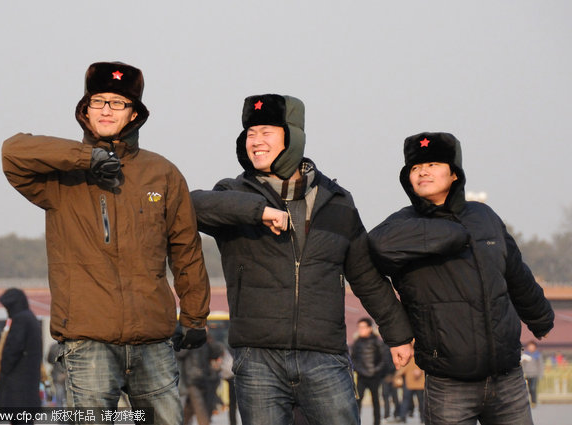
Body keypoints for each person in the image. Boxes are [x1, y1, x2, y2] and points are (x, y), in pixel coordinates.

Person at [2, 61, 211, 425]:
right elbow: (12, 151)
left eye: (117, 103)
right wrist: (89, 158)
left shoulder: (162, 173)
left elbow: (186, 250)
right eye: (98, 101)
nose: (106, 110)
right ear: (85, 110)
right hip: (88, 341)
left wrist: (194, 316)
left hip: (153, 342)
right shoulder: (61, 177)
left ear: (134, 113)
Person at [191, 94, 414, 425]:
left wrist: (398, 334)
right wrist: (257, 212)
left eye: (266, 131)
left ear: (292, 136)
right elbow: (192, 206)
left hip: (324, 357)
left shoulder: (337, 202)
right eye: (250, 133)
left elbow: (365, 276)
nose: (255, 141)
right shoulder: (233, 194)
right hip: (257, 357)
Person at [368, 132, 555, 425]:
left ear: (454, 173)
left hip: (507, 377)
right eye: (415, 168)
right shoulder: (400, 225)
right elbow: (376, 247)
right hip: (448, 384)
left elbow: (516, 273)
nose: (423, 172)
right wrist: (450, 233)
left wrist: (541, 317)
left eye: (432, 164)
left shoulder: (485, 217)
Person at [0, 288, 42, 423]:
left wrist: (4, 367)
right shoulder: (29, 318)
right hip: (27, 386)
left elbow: (13, 349)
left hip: (18, 387)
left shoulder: (21, 319)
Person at [350, 317, 384, 425]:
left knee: (376, 402)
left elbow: (384, 359)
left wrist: (376, 370)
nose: (361, 329)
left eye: (363, 327)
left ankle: (377, 423)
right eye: (359, 327)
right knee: (357, 402)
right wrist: (358, 370)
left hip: (374, 377)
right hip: (361, 377)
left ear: (370, 328)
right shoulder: (356, 343)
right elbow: (352, 359)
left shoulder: (377, 342)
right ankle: (356, 422)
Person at [395, 359, 424, 423]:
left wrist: (397, 375)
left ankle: (402, 417)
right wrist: (420, 370)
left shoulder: (408, 356)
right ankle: (423, 418)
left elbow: (403, 369)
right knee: (421, 401)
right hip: (419, 383)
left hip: (410, 383)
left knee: (406, 400)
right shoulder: (421, 353)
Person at [521, 341, 544, 407]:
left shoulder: (537, 355)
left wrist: (540, 374)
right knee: (527, 389)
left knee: (533, 388)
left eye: (532, 346)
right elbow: (522, 365)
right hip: (527, 374)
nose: (530, 347)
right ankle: (527, 401)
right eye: (529, 346)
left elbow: (541, 365)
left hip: (535, 374)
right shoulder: (525, 355)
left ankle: (534, 401)